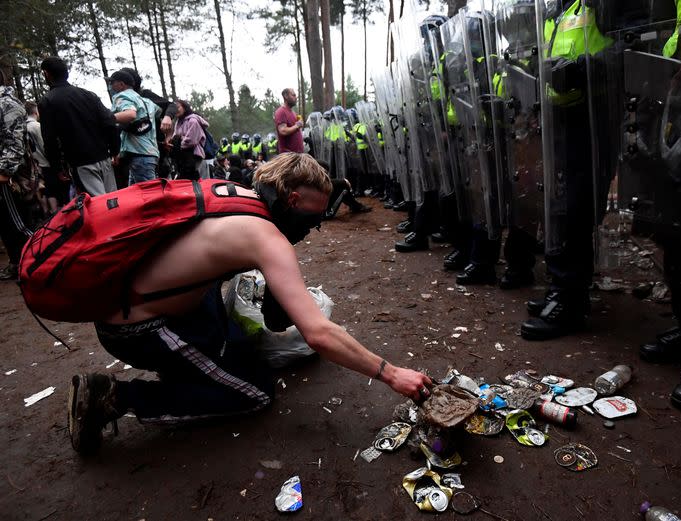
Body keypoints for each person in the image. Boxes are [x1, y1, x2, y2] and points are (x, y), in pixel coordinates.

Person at [18, 152, 431, 454]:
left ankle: (196, 368)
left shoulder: (233, 193)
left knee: (238, 348)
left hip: (147, 303)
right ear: (290, 199)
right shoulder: (266, 236)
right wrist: (392, 374)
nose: (313, 228)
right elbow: (318, 334)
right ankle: (111, 397)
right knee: (255, 393)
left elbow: (268, 309)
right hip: (139, 331)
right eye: (312, 218)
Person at [38, 56, 119, 196]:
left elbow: (50, 139)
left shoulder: (48, 101)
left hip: (81, 163)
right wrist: (115, 150)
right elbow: (109, 121)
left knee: (95, 206)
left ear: (46, 73)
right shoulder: (88, 95)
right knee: (113, 201)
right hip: (104, 157)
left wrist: (57, 167)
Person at [0, 70, 34, 280]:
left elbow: (15, 143)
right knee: (5, 223)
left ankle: (37, 261)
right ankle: (17, 263)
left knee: (18, 224)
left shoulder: (7, 103)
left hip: (9, 175)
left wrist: (4, 172)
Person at [107, 69, 161, 186]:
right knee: (138, 195)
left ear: (121, 84)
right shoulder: (147, 101)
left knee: (148, 196)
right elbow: (159, 112)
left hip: (138, 154)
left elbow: (131, 114)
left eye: (112, 82)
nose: (110, 86)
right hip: (151, 154)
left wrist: (107, 118)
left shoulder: (122, 96)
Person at [26, 101, 69, 217]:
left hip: (35, 165)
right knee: (55, 189)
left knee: (45, 190)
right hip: (46, 163)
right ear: (35, 111)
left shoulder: (24, 127)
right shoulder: (37, 126)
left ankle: (48, 213)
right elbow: (44, 145)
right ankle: (58, 214)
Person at [171, 99, 208, 180]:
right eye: (174, 107)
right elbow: (175, 137)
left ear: (185, 107)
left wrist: (179, 141)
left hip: (194, 156)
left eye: (178, 107)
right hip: (182, 156)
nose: (176, 109)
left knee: (194, 181)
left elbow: (191, 141)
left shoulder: (193, 121)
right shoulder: (178, 122)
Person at [274, 88, 304, 153]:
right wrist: (297, 125)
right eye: (293, 95)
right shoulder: (281, 111)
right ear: (286, 96)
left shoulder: (293, 113)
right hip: (288, 157)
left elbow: (295, 130)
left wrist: (299, 124)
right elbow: (283, 131)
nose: (296, 97)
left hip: (297, 155)